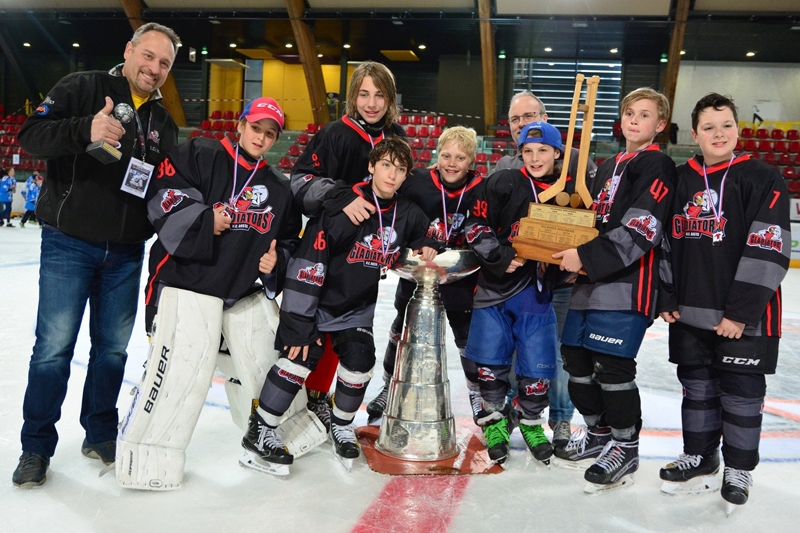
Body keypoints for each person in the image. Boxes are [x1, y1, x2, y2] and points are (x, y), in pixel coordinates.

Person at [13, 22, 181, 488]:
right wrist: (84, 127)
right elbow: (30, 135)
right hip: (69, 243)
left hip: (126, 254)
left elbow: (165, 191)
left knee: (111, 351)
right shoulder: (84, 87)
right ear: (129, 50)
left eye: (164, 63)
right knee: (53, 349)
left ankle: (100, 433)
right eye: (148, 56)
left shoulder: (164, 123)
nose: (154, 68)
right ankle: (36, 446)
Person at [115, 97, 302, 489]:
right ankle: (147, 456)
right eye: (256, 128)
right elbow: (163, 194)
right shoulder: (200, 152)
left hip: (239, 292)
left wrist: (277, 263)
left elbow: (286, 241)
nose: (262, 138)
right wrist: (204, 218)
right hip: (185, 287)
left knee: (261, 363)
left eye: (270, 134)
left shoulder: (279, 190)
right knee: (180, 373)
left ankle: (263, 434)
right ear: (241, 125)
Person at [241, 138, 437, 476]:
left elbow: (429, 232)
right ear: (372, 166)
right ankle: (260, 429)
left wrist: (430, 243)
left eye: (400, 169)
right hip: (314, 301)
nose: (392, 174)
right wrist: (299, 323)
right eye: (386, 165)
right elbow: (309, 263)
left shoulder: (406, 213)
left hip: (355, 309)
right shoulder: (345, 207)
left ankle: (342, 425)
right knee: (300, 359)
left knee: (360, 361)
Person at [657, 93, 790, 510]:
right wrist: (666, 293)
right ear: (694, 133)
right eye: (709, 127)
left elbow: (769, 246)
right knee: (696, 389)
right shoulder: (681, 178)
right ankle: (700, 456)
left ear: (738, 129)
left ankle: (738, 468)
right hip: (690, 311)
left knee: (741, 394)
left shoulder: (762, 176)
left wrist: (739, 312)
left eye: (726, 125)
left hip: (744, 318)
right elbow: (663, 242)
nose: (719, 133)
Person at [551, 88, 677, 492]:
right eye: (628, 113)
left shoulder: (657, 165)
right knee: (575, 358)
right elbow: (592, 220)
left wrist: (585, 257)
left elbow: (643, 228)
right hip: (590, 283)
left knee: (611, 366)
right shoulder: (608, 165)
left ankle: (626, 446)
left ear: (659, 125)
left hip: (628, 284)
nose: (634, 120)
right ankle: (598, 433)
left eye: (645, 115)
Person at [289, 61, 406, 430]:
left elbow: (410, 188)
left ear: (390, 98)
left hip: (367, 254)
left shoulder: (396, 136)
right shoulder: (335, 133)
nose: (371, 103)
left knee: (351, 326)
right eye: (364, 94)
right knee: (320, 323)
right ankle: (310, 396)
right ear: (353, 96)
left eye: (380, 95)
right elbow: (300, 181)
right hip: (328, 247)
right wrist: (341, 198)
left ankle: (327, 401)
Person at [492, 90, 599, 449]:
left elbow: (590, 219)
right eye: (516, 119)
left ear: (548, 119)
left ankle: (562, 420)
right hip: (520, 281)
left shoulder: (580, 166)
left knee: (559, 351)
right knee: (512, 348)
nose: (524, 123)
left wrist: (580, 256)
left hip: (563, 280)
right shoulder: (506, 169)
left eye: (531, 115)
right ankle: (509, 413)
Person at [462, 121, 569, 466]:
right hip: (495, 291)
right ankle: (494, 423)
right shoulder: (504, 181)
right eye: (528, 151)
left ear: (557, 153)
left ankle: (533, 423)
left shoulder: (569, 193)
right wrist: (500, 256)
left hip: (536, 294)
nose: (535, 158)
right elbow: (474, 225)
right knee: (491, 365)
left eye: (543, 151)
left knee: (536, 366)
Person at [365, 126, 485, 424]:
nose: (452, 163)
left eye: (460, 157)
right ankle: (388, 385)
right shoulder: (417, 180)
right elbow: (388, 203)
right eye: (446, 155)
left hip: (460, 275)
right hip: (418, 272)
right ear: (436, 156)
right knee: (401, 329)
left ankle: (476, 393)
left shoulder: (483, 187)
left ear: (471, 160)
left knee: (466, 337)